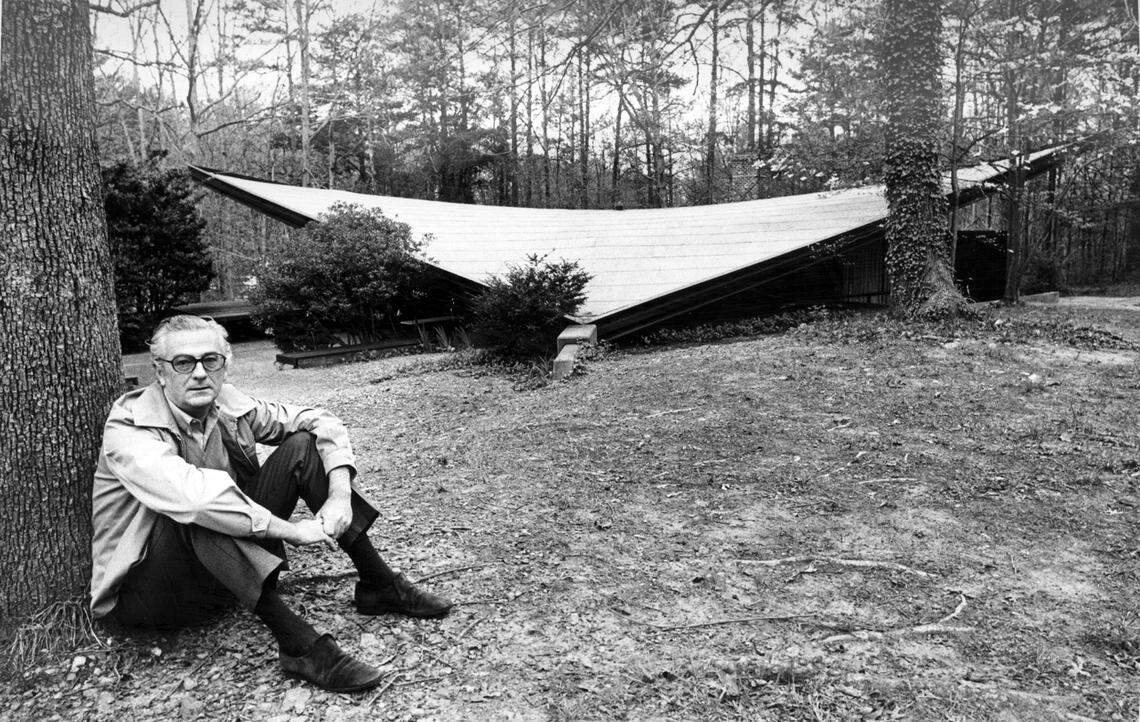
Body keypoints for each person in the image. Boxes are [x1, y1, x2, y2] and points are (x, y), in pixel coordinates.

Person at [90, 315, 452, 693]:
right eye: (183, 363)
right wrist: (293, 532)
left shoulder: (227, 403)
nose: (199, 373)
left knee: (302, 446)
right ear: (160, 372)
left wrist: (340, 494)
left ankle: (379, 583)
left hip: (223, 576)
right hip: (151, 597)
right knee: (198, 505)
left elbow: (320, 421)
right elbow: (196, 499)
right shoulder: (128, 426)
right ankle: (299, 645)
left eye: (210, 360)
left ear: (225, 365)